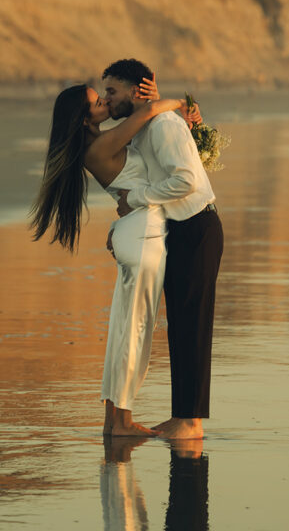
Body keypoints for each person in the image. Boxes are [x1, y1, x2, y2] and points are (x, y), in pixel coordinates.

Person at [29, 78, 199, 436]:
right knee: (134, 332)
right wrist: (178, 104)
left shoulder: (100, 144)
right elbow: (151, 111)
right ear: (84, 119)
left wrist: (188, 118)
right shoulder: (104, 143)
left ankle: (116, 420)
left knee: (126, 329)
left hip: (135, 232)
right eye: (97, 104)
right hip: (142, 236)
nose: (105, 105)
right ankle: (120, 420)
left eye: (103, 99)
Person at [103, 58, 224, 442]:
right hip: (182, 228)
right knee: (183, 327)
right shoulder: (145, 128)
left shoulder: (162, 125)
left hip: (196, 226)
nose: (106, 101)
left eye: (111, 91)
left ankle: (190, 422)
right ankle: (184, 417)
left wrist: (134, 199)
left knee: (193, 325)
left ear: (137, 90)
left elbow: (186, 181)